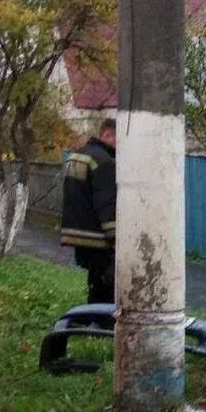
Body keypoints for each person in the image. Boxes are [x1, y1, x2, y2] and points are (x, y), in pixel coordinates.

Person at [60, 118, 117, 303]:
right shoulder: (103, 161)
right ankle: (99, 322)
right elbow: (106, 203)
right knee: (107, 283)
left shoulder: (76, 156)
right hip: (97, 236)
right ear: (107, 134)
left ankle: (90, 320)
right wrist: (116, 238)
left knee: (96, 279)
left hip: (77, 232)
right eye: (120, 140)